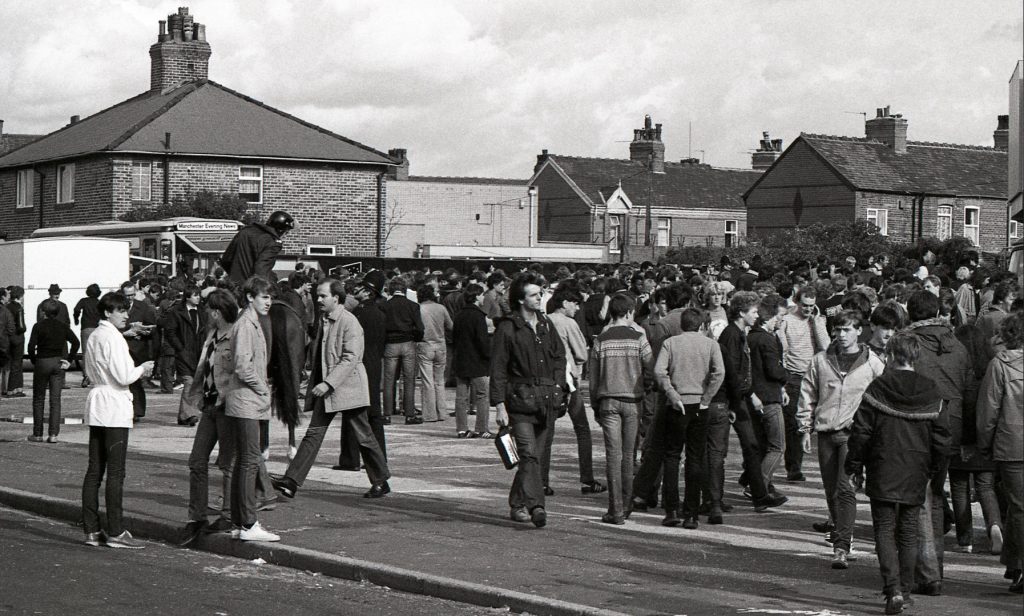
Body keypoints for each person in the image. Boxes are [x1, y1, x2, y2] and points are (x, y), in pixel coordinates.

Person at [845, 331, 950, 614]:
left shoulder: (878, 388)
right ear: (916, 356)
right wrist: (936, 473)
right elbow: (942, 439)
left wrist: (853, 465)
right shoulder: (932, 391)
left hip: (882, 464)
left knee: (884, 529)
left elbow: (861, 432)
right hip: (917, 468)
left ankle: (892, 589)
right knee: (907, 531)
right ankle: (904, 588)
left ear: (890, 355)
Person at [272, 279, 391, 500]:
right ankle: (291, 481)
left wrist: (328, 383)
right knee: (313, 435)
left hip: (348, 388)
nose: (318, 300)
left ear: (336, 298)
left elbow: (351, 357)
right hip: (329, 390)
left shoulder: (349, 322)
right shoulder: (326, 321)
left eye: (322, 296)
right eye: (317, 296)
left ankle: (381, 480)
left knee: (363, 436)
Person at [798, 310, 885, 570]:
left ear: (859, 331)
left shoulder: (872, 363)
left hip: (853, 435)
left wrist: (866, 425)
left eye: (847, 329)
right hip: (826, 432)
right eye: (838, 330)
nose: (841, 334)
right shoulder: (821, 361)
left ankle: (842, 546)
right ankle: (840, 535)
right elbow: (807, 393)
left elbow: (881, 397)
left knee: (846, 488)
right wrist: (804, 427)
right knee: (831, 490)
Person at [905, 290, 973, 596]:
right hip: (951, 425)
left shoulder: (908, 345)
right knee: (934, 493)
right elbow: (969, 391)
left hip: (918, 425)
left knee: (920, 498)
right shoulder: (957, 345)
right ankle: (933, 569)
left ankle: (928, 572)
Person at [491, 273, 567, 528]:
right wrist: (499, 404)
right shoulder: (508, 327)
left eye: (540, 294)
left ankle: (517, 502)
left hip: (546, 400)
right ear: (521, 299)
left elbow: (559, 356)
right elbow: (499, 368)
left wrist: (557, 384)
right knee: (529, 453)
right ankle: (536, 505)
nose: (540, 298)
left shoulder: (545, 324)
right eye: (534, 295)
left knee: (534, 457)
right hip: (520, 400)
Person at [634, 307, 721, 528]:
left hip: (676, 403)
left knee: (672, 456)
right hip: (699, 403)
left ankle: (671, 509)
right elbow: (718, 372)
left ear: (682, 324)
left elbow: (659, 371)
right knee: (695, 457)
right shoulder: (710, 344)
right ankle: (691, 512)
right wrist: (707, 397)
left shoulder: (671, 343)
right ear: (701, 325)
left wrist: (671, 393)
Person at [81, 292, 155, 548]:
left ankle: (91, 529)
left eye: (126, 310)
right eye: (121, 310)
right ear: (107, 313)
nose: (126, 315)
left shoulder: (95, 336)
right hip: (114, 404)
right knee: (116, 472)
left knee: (94, 470)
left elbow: (89, 369)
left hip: (98, 401)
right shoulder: (113, 338)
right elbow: (124, 376)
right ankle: (116, 530)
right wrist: (143, 368)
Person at [180, 290, 241, 544]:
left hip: (227, 405)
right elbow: (204, 368)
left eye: (209, 310)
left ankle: (228, 515)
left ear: (216, 312)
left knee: (228, 463)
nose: (206, 313)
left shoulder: (237, 334)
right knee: (197, 460)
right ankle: (198, 516)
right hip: (209, 405)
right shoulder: (211, 335)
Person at [224, 276, 280, 542]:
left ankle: (240, 521)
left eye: (270, 297)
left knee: (243, 461)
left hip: (245, 400)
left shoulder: (251, 323)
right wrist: (263, 388)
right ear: (250, 297)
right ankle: (248, 523)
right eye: (264, 297)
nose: (268, 302)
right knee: (249, 460)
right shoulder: (246, 325)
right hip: (247, 400)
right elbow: (243, 366)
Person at [590, 294, 652, 524]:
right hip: (633, 401)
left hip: (608, 401)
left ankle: (614, 510)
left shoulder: (601, 339)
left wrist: (596, 405)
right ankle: (627, 505)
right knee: (628, 456)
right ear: (628, 313)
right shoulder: (638, 338)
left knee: (612, 456)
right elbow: (651, 366)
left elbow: (594, 379)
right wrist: (645, 385)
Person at [976, 313, 1024, 594]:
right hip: (1011, 443)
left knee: (1018, 508)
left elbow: (988, 410)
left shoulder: (1000, 365)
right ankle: (1014, 565)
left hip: (1011, 444)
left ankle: (1018, 566)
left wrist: (984, 443)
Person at [543, 285, 603, 495]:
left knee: (547, 432)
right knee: (582, 429)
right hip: (569, 380)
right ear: (565, 303)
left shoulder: (543, 320)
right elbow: (582, 354)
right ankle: (587, 479)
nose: (577, 308)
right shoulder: (568, 323)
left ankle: (542, 480)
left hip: (548, 381)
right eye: (575, 303)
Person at [777, 286, 830, 482]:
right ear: (797, 302)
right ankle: (794, 467)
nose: (808, 309)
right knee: (793, 424)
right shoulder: (787, 321)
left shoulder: (816, 320)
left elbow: (826, 347)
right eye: (805, 305)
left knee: (811, 423)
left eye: (812, 305)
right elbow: (782, 349)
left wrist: (816, 322)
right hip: (793, 376)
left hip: (814, 376)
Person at [747, 294, 789, 496]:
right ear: (770, 317)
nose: (780, 321)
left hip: (754, 397)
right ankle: (758, 486)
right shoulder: (767, 339)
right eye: (779, 317)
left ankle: (756, 481)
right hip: (770, 398)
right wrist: (786, 376)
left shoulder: (750, 337)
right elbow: (774, 370)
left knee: (762, 445)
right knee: (777, 446)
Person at [26, 299, 80, 443]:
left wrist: (34, 360)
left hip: (43, 361)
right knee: (55, 400)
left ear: (43, 311)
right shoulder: (62, 326)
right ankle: (53, 434)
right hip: (58, 361)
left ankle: (37, 434)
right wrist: (69, 359)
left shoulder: (38, 326)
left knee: (38, 399)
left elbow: (31, 347)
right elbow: (76, 342)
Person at [381, 277, 424, 424]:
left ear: (391, 290)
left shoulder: (385, 306)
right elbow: (420, 328)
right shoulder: (413, 306)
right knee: (409, 380)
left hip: (390, 343)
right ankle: (409, 414)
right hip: (408, 342)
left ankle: (387, 414)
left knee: (388, 380)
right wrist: (416, 339)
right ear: (405, 290)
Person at [452, 283, 492, 438]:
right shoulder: (479, 316)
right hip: (477, 362)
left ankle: (462, 429)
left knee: (461, 397)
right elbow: (482, 341)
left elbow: (454, 338)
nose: (483, 297)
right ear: (476, 296)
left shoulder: (459, 315)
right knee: (482, 394)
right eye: (481, 294)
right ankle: (482, 428)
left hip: (461, 359)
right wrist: (488, 356)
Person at [163, 286, 207, 425]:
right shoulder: (177, 312)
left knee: (197, 384)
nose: (198, 298)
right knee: (189, 382)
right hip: (184, 353)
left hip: (200, 352)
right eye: (195, 295)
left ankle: (187, 415)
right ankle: (189, 415)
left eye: (199, 295)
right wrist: (180, 347)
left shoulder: (202, 312)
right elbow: (170, 331)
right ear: (187, 297)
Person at [118, 281, 157, 421]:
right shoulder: (117, 307)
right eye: (127, 295)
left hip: (138, 348)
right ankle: (127, 409)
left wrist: (145, 330)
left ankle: (137, 411)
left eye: (132, 295)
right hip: (122, 346)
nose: (130, 298)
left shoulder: (142, 307)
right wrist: (126, 331)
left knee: (136, 381)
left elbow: (152, 326)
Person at [219, 211, 294, 283]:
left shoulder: (245, 231)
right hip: (252, 288)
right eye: (286, 232)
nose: (285, 236)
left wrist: (235, 276)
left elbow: (226, 260)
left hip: (234, 286)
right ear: (280, 230)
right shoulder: (272, 242)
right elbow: (261, 270)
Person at [416, 284, 452, 422]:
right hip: (441, 345)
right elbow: (450, 326)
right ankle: (442, 413)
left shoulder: (419, 309)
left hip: (425, 346)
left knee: (427, 382)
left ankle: (430, 414)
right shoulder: (441, 308)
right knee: (439, 381)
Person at [74, 284, 103, 388]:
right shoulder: (99, 302)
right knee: (97, 352)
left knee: (86, 353)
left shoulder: (83, 301)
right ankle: (98, 375)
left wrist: (76, 319)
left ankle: (86, 376)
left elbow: (76, 309)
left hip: (86, 328)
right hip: (98, 328)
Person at [6, 286, 27, 397]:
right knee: (17, 363)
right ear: (20, 295)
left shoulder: (7, 306)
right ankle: (14, 389)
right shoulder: (19, 307)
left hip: (8, 338)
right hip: (18, 338)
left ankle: (13, 388)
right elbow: (21, 326)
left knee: (11, 363)